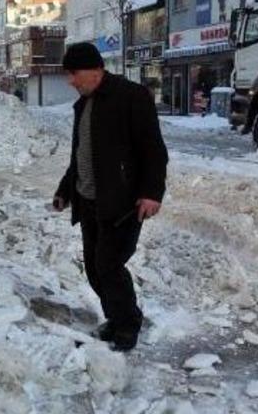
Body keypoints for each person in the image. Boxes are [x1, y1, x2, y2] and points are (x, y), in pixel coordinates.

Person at [52, 42, 168, 352]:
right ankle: (117, 318)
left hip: (121, 202)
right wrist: (65, 190)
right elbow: (81, 156)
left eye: (74, 73)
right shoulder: (84, 104)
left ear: (95, 70)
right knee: (94, 267)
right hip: (88, 200)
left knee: (109, 265)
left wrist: (151, 192)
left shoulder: (131, 96)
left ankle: (127, 325)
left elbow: (153, 150)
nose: (70, 81)